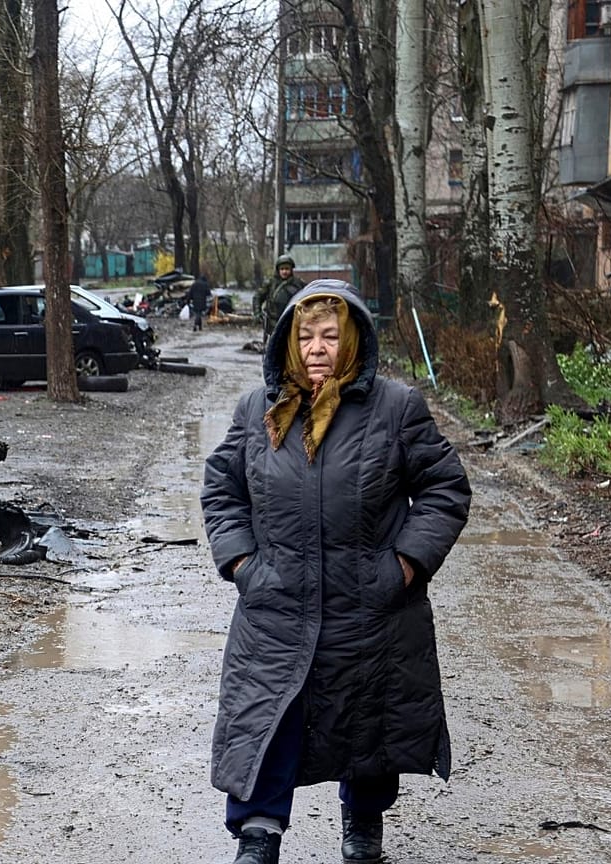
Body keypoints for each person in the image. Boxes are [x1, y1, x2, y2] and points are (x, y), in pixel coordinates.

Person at [200, 281, 472, 864]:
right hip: (276, 603)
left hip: (368, 604)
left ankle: (363, 823)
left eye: (330, 335)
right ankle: (257, 833)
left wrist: (404, 563)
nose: (317, 348)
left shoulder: (396, 408)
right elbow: (223, 488)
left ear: (352, 342)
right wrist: (245, 562)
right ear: (289, 344)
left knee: (365, 720)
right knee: (270, 718)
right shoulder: (259, 409)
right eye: (305, 336)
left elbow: (445, 488)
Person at [259, 254, 304, 343]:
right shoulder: (271, 283)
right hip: (274, 323)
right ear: (278, 270)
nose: (284, 272)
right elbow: (258, 297)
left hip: (292, 322)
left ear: (291, 270)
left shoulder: (299, 284)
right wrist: (257, 314)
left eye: (287, 269)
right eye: (282, 269)